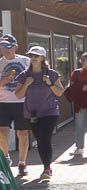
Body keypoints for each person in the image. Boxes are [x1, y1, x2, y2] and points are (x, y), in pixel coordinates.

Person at [14, 46, 65, 179]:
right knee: (40, 140)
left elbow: (60, 92)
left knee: (45, 139)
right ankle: (46, 167)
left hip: (50, 111)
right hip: (32, 113)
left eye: (36, 56)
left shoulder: (52, 73)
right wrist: (26, 84)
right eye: (31, 56)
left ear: (43, 58)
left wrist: (49, 83)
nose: (34, 58)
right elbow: (18, 95)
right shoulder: (24, 75)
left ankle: (47, 168)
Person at [0, 34, 32, 176]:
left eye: (8, 46)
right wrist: (5, 81)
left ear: (15, 46)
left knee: (23, 132)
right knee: (2, 132)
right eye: (2, 46)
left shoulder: (26, 61)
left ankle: (22, 163)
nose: (5, 49)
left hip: (22, 102)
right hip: (3, 102)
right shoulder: (0, 63)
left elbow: (35, 78)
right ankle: (6, 158)